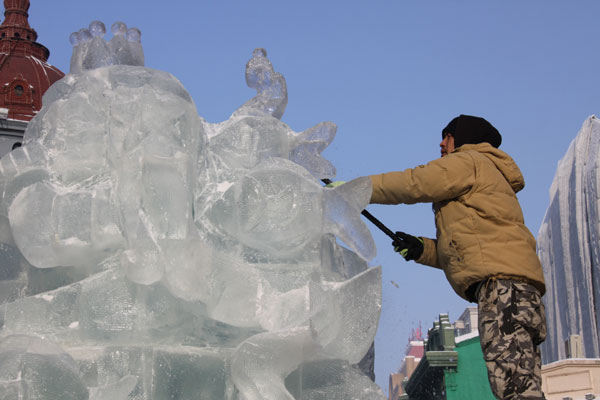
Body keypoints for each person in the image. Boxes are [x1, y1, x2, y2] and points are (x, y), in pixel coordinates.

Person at [368, 115, 547, 400]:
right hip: (516, 294)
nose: (441, 143)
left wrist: (359, 189)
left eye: (447, 136)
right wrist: (421, 249)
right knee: (521, 385)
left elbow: (415, 182)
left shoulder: (470, 161)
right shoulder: (487, 175)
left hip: (502, 292)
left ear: (463, 138)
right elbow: (469, 248)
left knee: (515, 390)